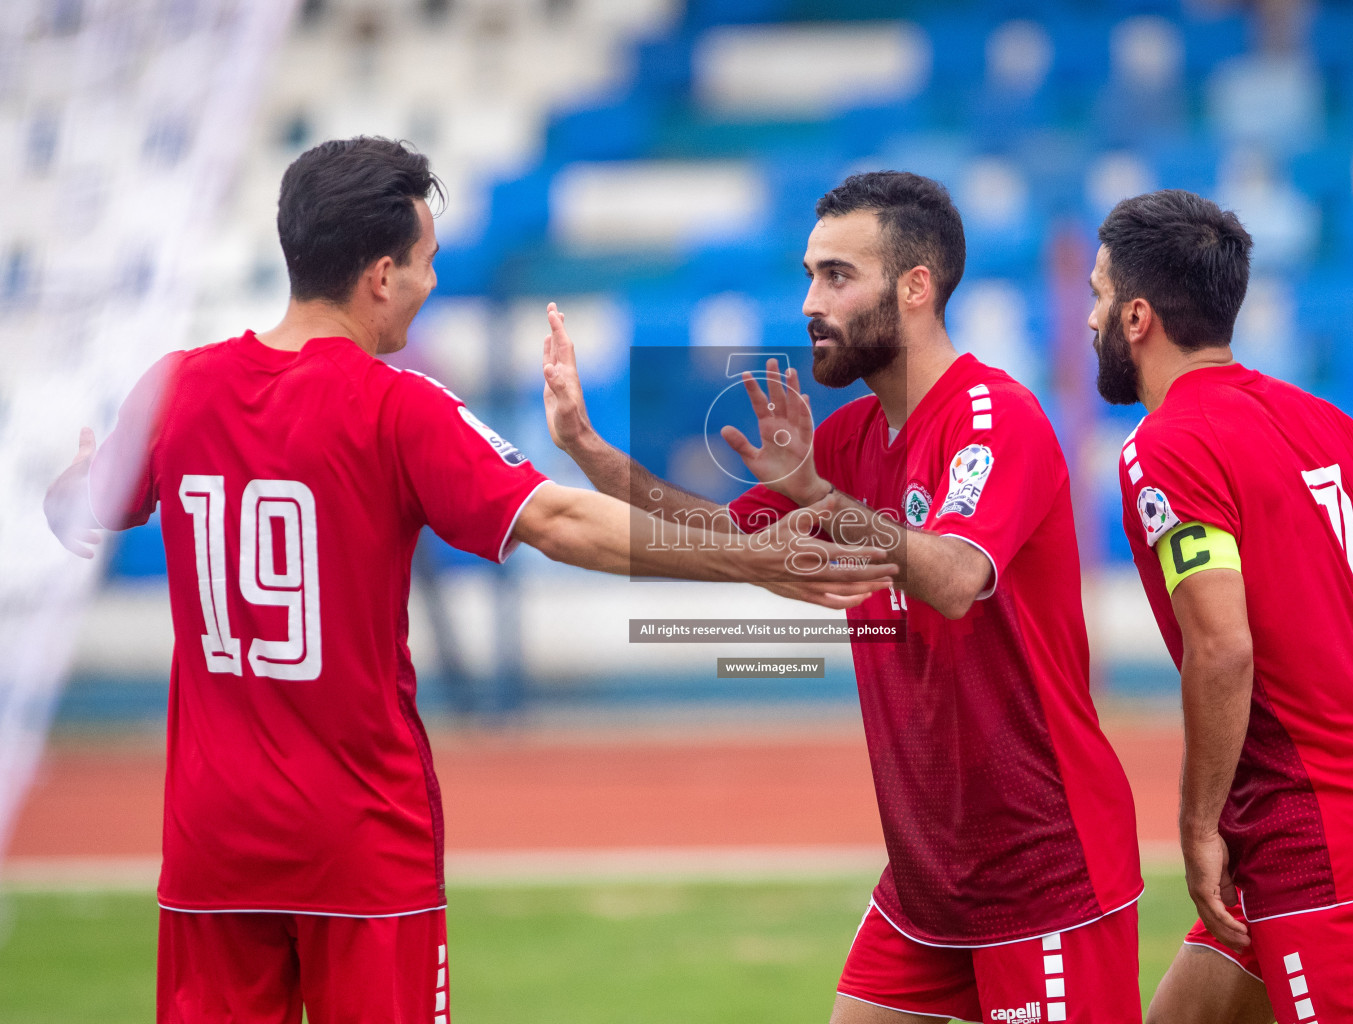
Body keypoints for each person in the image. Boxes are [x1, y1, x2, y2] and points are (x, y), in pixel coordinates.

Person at [42, 136, 893, 1024]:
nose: (432, 282)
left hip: (211, 844)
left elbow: (79, 513)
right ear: (379, 275)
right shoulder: (396, 404)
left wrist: (71, 491)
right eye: (425, 263)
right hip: (359, 840)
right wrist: (754, 559)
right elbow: (561, 523)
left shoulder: (176, 388)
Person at [543, 170, 1144, 1023]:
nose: (808, 303)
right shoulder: (851, 439)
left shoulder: (995, 418)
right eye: (808, 274)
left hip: (1038, 867)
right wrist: (589, 451)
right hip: (929, 877)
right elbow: (728, 545)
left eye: (835, 276)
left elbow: (955, 577)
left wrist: (818, 497)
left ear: (914, 288)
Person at [1086, 188, 1353, 1024]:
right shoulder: (1317, 416)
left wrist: (1197, 826)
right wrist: (1338, 680)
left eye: (1098, 295)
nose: (1090, 318)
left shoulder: (1167, 447)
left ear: (1138, 316)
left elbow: (1222, 649)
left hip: (1316, 823)